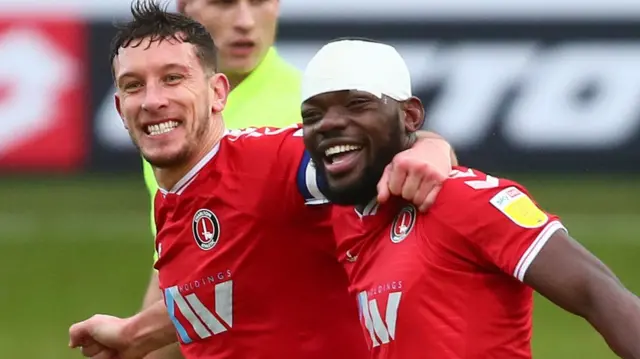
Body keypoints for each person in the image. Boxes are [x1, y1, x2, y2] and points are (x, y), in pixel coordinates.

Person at [68, 2, 455, 359]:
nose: (153, 100)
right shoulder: (178, 189)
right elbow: (239, 284)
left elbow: (394, 158)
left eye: (173, 79)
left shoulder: (273, 157)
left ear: (218, 93)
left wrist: (427, 148)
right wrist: (136, 334)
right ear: (119, 107)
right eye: (135, 85)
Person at [301, 39, 640, 359]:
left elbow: (598, 292)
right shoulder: (347, 217)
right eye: (313, 115)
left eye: (357, 104)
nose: (329, 123)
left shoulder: (462, 198)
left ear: (411, 116)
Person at [140, 1, 345, 357]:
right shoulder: (168, 118)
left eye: (258, 2)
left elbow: (402, 155)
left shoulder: (311, 110)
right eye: (223, 3)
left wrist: (430, 147)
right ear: (185, 8)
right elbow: (179, 268)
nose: (245, 22)